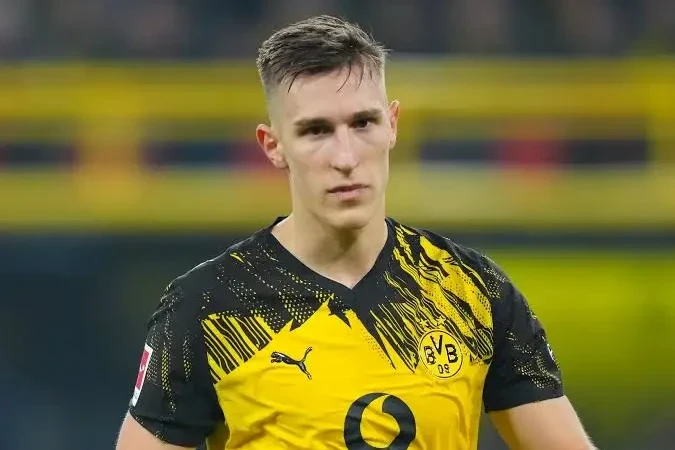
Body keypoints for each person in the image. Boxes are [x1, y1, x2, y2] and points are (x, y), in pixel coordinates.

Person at [116, 15, 596, 450]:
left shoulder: (471, 291)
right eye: (316, 131)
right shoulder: (207, 307)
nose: (345, 157)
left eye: (363, 123)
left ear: (392, 125)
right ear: (273, 146)